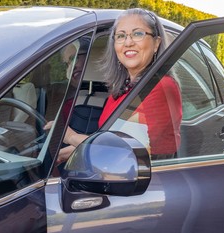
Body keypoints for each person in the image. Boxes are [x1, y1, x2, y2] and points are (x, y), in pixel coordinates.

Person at [57, 8, 182, 163]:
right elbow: (111, 139)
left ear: (156, 43)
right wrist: (77, 150)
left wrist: (70, 136)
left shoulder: (162, 86)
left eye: (138, 34)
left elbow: (124, 150)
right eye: (121, 36)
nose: (128, 42)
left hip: (150, 182)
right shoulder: (122, 88)